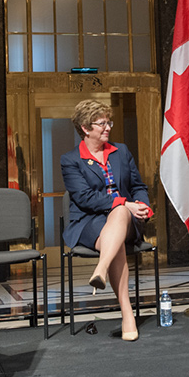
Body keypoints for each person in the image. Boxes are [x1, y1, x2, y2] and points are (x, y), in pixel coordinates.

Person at [61, 99, 153, 341]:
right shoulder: (71, 160)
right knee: (118, 229)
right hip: (89, 222)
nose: (108, 127)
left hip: (127, 220)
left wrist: (142, 206)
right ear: (85, 127)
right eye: (101, 123)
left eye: (108, 122)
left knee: (121, 213)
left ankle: (101, 269)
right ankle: (127, 315)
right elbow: (85, 198)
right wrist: (124, 203)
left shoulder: (121, 151)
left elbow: (138, 186)